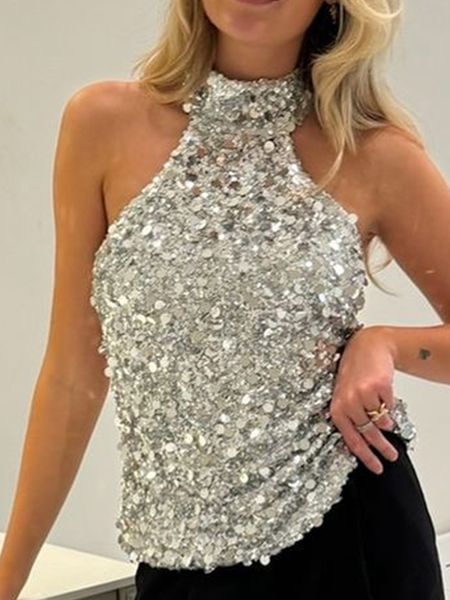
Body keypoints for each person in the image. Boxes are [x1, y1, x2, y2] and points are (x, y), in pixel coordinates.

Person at [0, 0, 449, 598]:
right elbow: (71, 375)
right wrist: (8, 579)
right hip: (174, 553)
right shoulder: (100, 123)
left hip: (349, 540)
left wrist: (385, 344)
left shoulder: (372, 152)